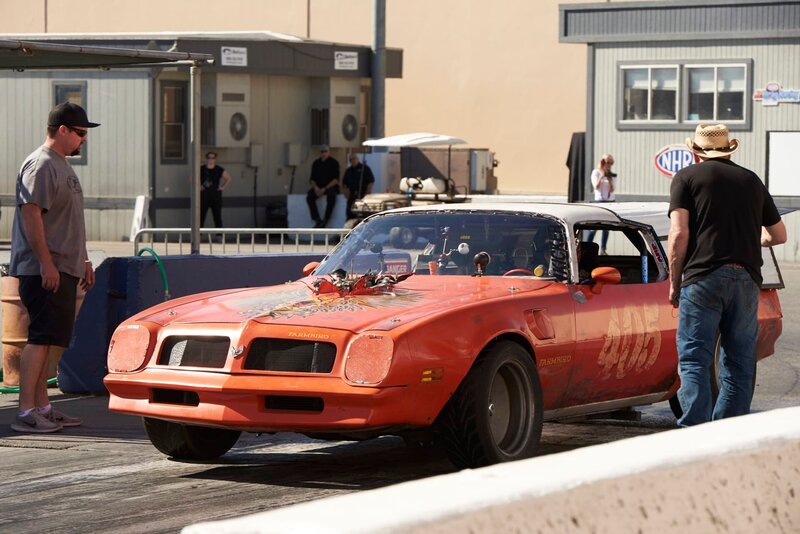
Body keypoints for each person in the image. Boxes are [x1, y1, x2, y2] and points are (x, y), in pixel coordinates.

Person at [668, 124, 786, 427]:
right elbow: (779, 235)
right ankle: (727, 435)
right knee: (739, 362)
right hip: (746, 279)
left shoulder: (686, 178)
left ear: (696, 152)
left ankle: (693, 434)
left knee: (695, 359)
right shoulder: (751, 180)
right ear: (728, 149)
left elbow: (679, 233)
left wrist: (674, 282)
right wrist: (756, 240)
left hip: (702, 277)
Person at [9, 102, 99, 433]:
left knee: (49, 339)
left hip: (63, 266)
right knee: (40, 337)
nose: (84, 139)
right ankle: (25, 412)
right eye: (80, 133)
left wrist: (84, 258)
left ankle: (43, 407)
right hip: (45, 269)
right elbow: (32, 214)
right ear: (62, 130)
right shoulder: (41, 164)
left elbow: (68, 220)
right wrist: (46, 264)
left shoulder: (60, 165)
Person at [587, 154, 616, 254]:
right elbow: (596, 186)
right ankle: (587, 247)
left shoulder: (611, 175)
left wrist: (609, 179)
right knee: (594, 227)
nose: (608, 165)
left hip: (609, 202)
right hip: (599, 202)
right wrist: (602, 174)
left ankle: (603, 249)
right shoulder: (596, 172)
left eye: (610, 163)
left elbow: (612, 189)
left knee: (606, 228)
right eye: (607, 162)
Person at [306, 144, 340, 228]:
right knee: (309, 197)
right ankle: (317, 219)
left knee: (332, 196)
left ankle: (326, 219)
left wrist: (324, 189)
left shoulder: (334, 163)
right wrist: (316, 188)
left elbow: (336, 180)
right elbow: (312, 179)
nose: (324, 153)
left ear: (329, 152)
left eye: (325, 151)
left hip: (330, 187)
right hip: (318, 187)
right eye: (322, 151)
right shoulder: (316, 163)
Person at [200, 151, 232, 229]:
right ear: (207, 159)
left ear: (215, 159)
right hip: (204, 196)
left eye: (213, 158)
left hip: (215, 196)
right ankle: (198, 236)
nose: (211, 159)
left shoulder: (219, 169)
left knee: (217, 216)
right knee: (201, 216)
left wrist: (223, 187)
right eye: (209, 158)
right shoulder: (202, 169)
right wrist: (199, 187)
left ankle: (219, 236)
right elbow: (191, 179)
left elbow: (228, 178)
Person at [342, 153, 375, 219]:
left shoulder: (365, 169)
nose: (352, 161)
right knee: (350, 213)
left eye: (354, 159)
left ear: (357, 159)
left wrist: (368, 192)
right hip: (352, 196)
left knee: (361, 213)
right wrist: (346, 192)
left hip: (363, 195)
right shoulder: (348, 171)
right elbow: (344, 183)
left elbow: (371, 181)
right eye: (351, 160)